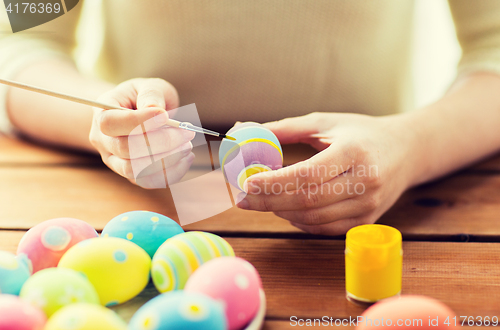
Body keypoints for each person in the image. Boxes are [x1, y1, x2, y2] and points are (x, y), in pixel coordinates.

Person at [1, 1, 500, 235]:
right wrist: (103, 116)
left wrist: (412, 144)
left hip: (362, 192)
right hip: (143, 196)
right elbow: (19, 38)